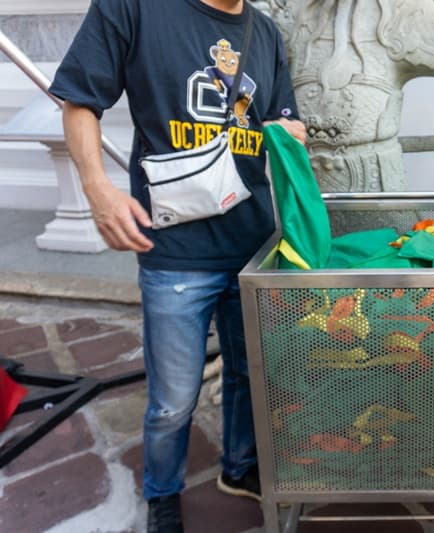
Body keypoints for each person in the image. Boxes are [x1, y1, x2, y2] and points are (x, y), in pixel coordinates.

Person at [49, 1, 306, 531]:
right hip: (176, 253)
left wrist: (291, 132)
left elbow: (281, 117)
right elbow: (78, 100)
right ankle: (162, 491)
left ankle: (240, 467)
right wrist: (99, 190)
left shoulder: (266, 31)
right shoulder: (135, 8)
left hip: (254, 245)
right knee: (172, 401)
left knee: (246, 374)